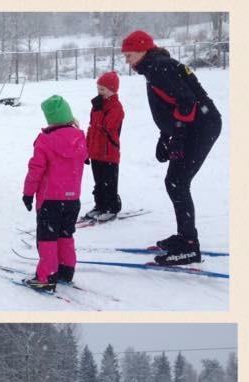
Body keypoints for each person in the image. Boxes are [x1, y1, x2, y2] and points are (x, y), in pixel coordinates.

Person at [121, 29, 222, 266]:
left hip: (202, 126)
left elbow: (187, 103)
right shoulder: (153, 66)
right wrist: (165, 136)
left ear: (143, 50)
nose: (127, 60)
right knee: (175, 181)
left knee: (178, 182)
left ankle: (189, 246)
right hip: (193, 127)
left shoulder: (159, 67)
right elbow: (170, 105)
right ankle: (184, 237)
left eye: (129, 55)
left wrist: (176, 136)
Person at [22, 95, 87, 293]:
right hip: (72, 200)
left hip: (50, 200)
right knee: (66, 235)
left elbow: (36, 169)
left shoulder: (45, 141)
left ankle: (47, 277)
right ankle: (66, 270)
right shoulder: (80, 138)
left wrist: (28, 192)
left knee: (47, 239)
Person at [83, 72, 124, 222]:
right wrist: (86, 149)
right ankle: (100, 205)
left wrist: (99, 110)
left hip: (109, 153)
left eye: (103, 90)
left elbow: (107, 126)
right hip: (96, 153)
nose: (99, 93)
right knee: (99, 183)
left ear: (113, 90)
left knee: (109, 183)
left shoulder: (116, 107)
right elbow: (92, 128)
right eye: (98, 89)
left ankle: (112, 207)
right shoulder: (97, 107)